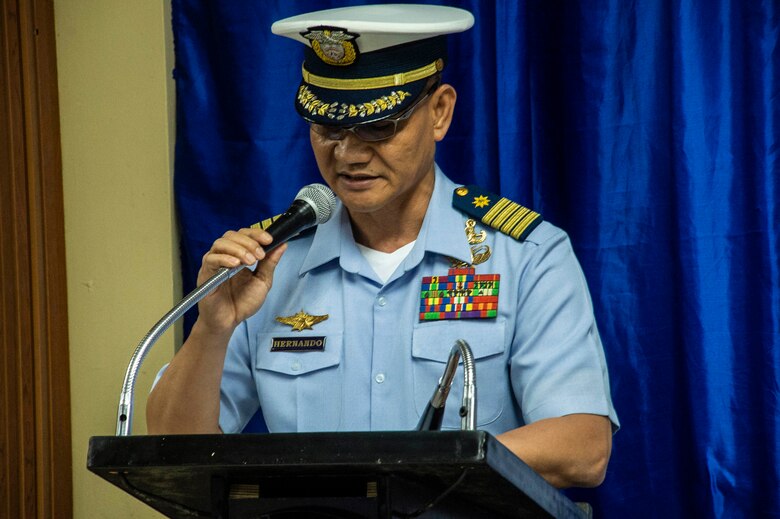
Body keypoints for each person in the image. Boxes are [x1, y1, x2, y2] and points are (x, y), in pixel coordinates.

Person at [147, 4, 619, 490]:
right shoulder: (268, 263)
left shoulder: (524, 255)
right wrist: (212, 329)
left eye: (378, 126)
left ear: (439, 112)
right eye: (329, 127)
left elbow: (582, 447)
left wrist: (402, 468)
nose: (348, 154)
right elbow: (169, 449)